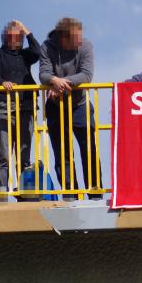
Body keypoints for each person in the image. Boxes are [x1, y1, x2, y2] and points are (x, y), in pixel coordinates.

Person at [39, 17, 102, 200]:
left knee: (88, 149)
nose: (80, 40)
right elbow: (43, 73)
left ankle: (95, 192)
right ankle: (70, 194)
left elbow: (87, 75)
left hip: (79, 106)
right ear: (63, 39)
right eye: (76, 38)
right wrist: (52, 80)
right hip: (55, 107)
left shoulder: (86, 46)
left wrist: (60, 83)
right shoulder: (48, 47)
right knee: (62, 153)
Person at [0, 20, 40, 200]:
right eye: (11, 35)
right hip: (4, 107)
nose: (15, 39)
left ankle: (24, 193)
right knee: (4, 155)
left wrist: (27, 30)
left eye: (19, 36)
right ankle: (1, 193)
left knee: (24, 155)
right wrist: (2, 82)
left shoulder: (25, 55)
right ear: (5, 37)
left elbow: (37, 52)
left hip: (26, 107)